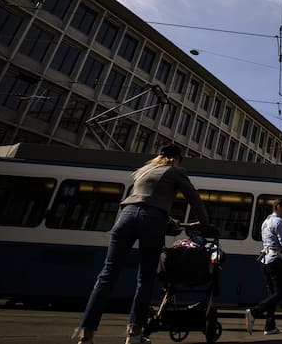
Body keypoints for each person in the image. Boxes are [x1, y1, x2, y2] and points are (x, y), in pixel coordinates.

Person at [73, 144, 211, 344]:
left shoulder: (143, 171)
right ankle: (134, 334)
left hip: (125, 217)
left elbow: (144, 200)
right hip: (151, 221)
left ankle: (86, 334)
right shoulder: (175, 171)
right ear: (177, 158)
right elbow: (193, 198)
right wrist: (204, 222)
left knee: (107, 275)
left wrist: (167, 218)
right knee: (145, 278)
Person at [246, 198, 282, 336]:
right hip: (275, 260)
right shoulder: (278, 222)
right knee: (280, 293)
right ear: (278, 207)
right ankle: (254, 312)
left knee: (272, 293)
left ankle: (270, 326)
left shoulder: (266, 221)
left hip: (265, 260)